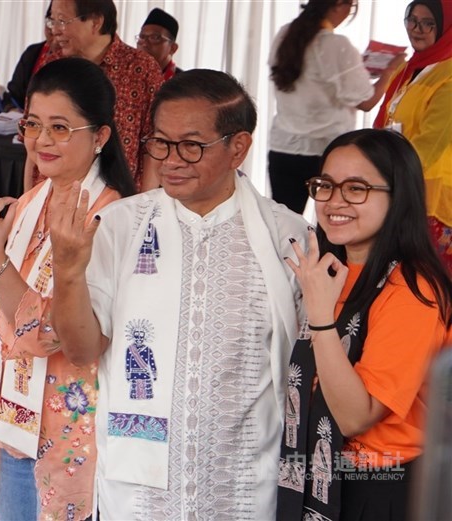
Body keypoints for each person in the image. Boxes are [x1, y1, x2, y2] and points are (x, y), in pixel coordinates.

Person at [50, 70, 310, 520]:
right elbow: (81, 349)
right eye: (161, 143)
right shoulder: (121, 225)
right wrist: (68, 273)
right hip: (141, 490)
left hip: (241, 484)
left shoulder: (286, 236)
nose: (171, 160)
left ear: (239, 148)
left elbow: (304, 369)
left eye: (191, 146)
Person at [0, 58, 135, 521]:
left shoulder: (108, 218)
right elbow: (5, 322)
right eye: (33, 124)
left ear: (100, 136)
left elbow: (45, 332)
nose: (41, 141)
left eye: (60, 127)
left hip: (67, 434)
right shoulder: (37, 197)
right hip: (16, 421)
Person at [276, 129, 452, 520]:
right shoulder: (329, 269)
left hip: (380, 488)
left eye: (356, 189)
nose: (335, 202)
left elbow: (355, 416)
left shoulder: (412, 290)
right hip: (317, 476)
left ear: (398, 196)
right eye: (325, 185)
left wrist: (321, 319)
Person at [268, 0, 405, 214]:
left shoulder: (285, 33)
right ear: (340, 5)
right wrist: (390, 71)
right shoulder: (336, 45)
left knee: (283, 226)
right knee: (334, 222)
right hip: (326, 150)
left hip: (283, 147)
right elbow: (367, 102)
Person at [40, 0, 164, 191]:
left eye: (62, 20)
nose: (55, 30)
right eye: (52, 20)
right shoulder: (52, 66)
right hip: (50, 196)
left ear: (96, 22)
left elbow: (154, 144)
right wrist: (28, 201)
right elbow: (32, 137)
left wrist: (143, 208)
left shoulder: (141, 69)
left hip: (118, 202)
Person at [374, 0, 452, 273]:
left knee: (431, 285)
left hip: (432, 200)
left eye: (428, 23)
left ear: (445, 27)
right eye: (411, 20)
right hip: (398, 187)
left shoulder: (449, 73)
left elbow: (430, 144)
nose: (416, 29)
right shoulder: (406, 69)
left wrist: (380, 174)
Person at [2, 3, 61, 112]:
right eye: (50, 22)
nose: (54, 30)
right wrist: (12, 110)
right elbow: (12, 96)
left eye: (61, 22)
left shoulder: (82, 58)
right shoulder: (33, 53)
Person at [136, 8, 182, 81]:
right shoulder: (129, 75)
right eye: (142, 37)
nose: (144, 43)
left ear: (173, 48)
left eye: (154, 38)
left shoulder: (184, 84)